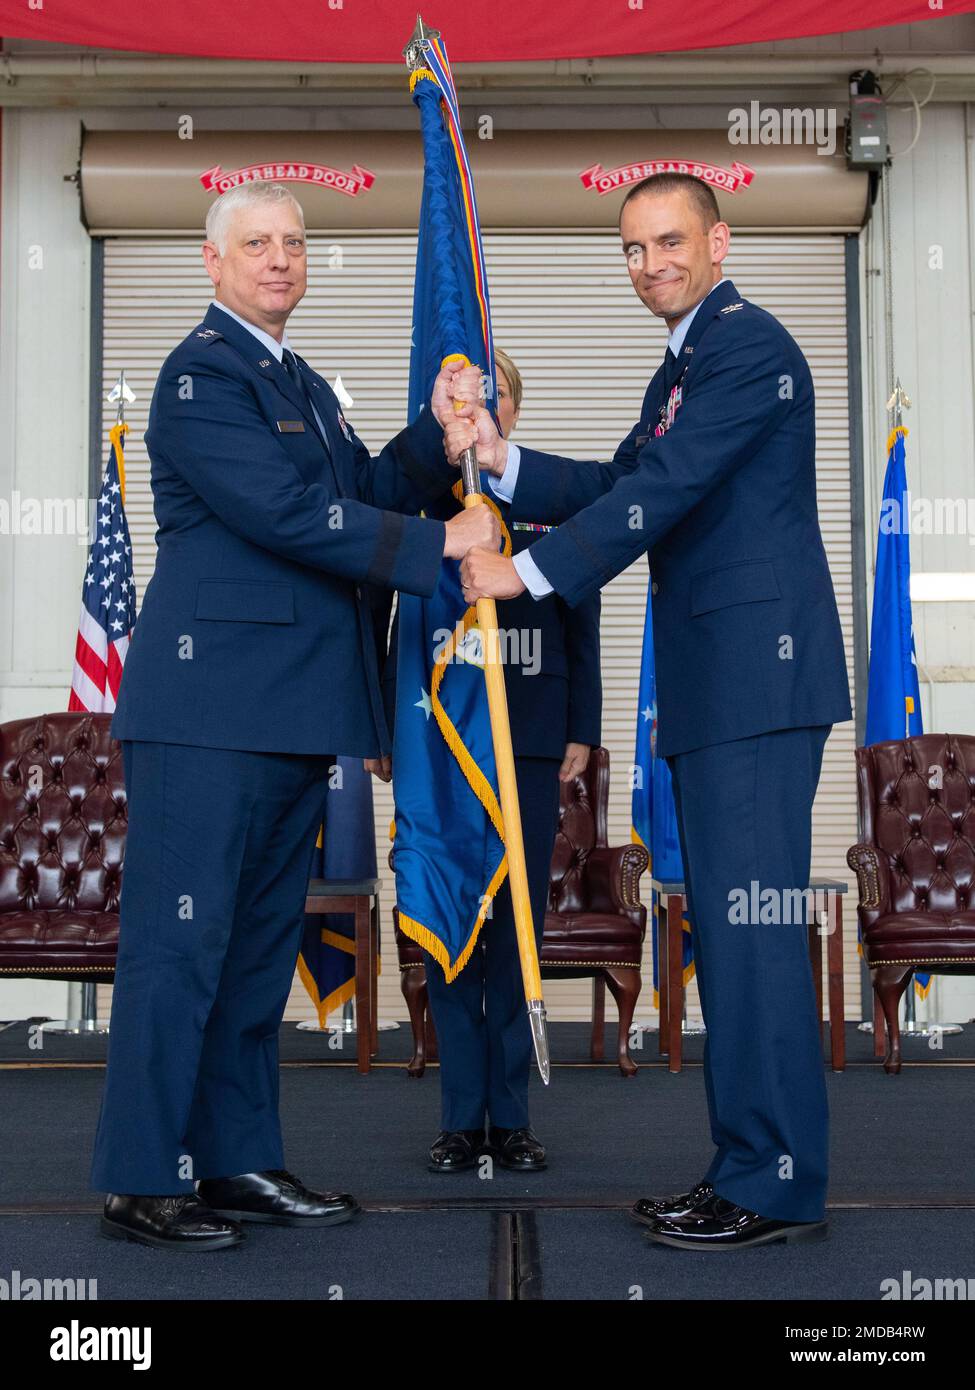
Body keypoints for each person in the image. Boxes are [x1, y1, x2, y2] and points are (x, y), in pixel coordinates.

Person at [446, 173, 852, 1251]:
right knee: (729, 936)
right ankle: (747, 1169)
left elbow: (655, 494)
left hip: (757, 689)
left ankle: (771, 1184)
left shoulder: (747, 348)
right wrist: (501, 459)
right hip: (722, 692)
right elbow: (619, 480)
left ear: (718, 241)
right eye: (632, 248)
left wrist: (521, 578)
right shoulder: (683, 364)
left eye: (670, 240)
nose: (651, 263)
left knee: (753, 939)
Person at [90, 180, 494, 1251]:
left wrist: (436, 438)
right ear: (213, 264)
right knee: (179, 950)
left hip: (290, 716)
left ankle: (237, 1160)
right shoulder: (199, 376)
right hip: (206, 714)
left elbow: (357, 482)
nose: (279, 259)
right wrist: (438, 546)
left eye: (294, 243)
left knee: (258, 949)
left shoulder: (302, 383)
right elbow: (284, 513)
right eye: (256, 243)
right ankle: (144, 1174)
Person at [369, 349, 601, 1174]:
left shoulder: (543, 505)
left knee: (514, 932)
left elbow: (579, 611)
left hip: (529, 738)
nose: (475, 404)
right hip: (435, 743)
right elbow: (375, 613)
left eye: (491, 394)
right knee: (446, 926)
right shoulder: (418, 508)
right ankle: (459, 1117)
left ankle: (512, 1118)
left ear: (511, 411)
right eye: (462, 393)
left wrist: (582, 723)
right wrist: (379, 729)